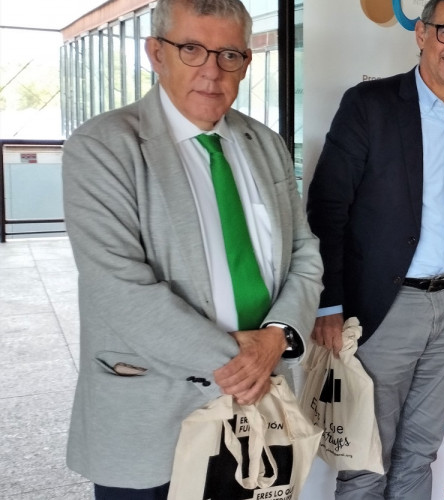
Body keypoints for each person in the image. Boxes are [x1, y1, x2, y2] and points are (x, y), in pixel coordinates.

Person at [61, 0, 324, 497]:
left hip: (256, 415)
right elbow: (118, 291)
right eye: (192, 49)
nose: (211, 70)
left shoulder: (265, 142)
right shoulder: (104, 147)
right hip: (154, 417)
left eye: (229, 55)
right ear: (156, 53)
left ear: (246, 63)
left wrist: (277, 338)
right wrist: (246, 359)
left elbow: (305, 253)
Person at [305, 0, 444, 497]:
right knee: (368, 456)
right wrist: (329, 302)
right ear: (422, 34)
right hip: (383, 308)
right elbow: (328, 208)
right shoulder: (370, 105)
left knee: (422, 448)